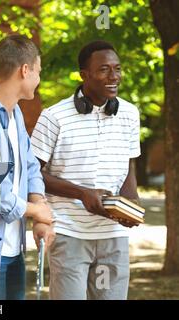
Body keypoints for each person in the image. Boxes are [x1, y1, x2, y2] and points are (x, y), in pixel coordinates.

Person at [31, 40, 141, 300]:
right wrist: (82, 193)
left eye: (117, 68)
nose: (114, 76)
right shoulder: (53, 116)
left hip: (113, 235)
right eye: (104, 69)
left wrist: (131, 202)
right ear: (84, 75)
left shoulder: (129, 114)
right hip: (69, 233)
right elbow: (32, 173)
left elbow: (128, 164)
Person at [0, 34, 54, 300]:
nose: (38, 80)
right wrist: (37, 212)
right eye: (38, 72)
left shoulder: (15, 111)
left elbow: (31, 166)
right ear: (25, 70)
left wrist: (39, 205)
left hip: (13, 249)